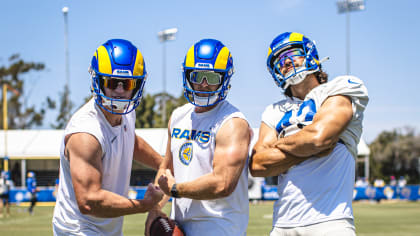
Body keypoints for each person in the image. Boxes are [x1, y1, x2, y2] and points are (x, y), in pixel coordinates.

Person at [249, 32, 369, 236]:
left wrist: (280, 143)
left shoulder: (341, 87)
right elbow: (258, 165)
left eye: (292, 53)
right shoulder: (273, 110)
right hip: (283, 224)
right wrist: (310, 147)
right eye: (279, 60)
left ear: (310, 54)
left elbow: (319, 137)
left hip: (331, 221)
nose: (286, 61)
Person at [52, 39, 164, 235]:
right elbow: (89, 201)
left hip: (106, 229)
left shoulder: (126, 112)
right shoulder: (86, 133)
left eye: (126, 83)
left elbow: (131, 141)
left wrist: (163, 164)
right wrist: (144, 204)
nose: (120, 91)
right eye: (112, 83)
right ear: (99, 81)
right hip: (79, 231)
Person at [145, 39, 252, 236]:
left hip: (220, 228)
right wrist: (155, 210)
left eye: (211, 78)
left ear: (224, 79)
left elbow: (223, 183)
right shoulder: (178, 116)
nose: (203, 84)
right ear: (188, 76)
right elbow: (166, 168)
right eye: (198, 76)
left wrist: (176, 189)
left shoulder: (233, 123)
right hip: (181, 225)